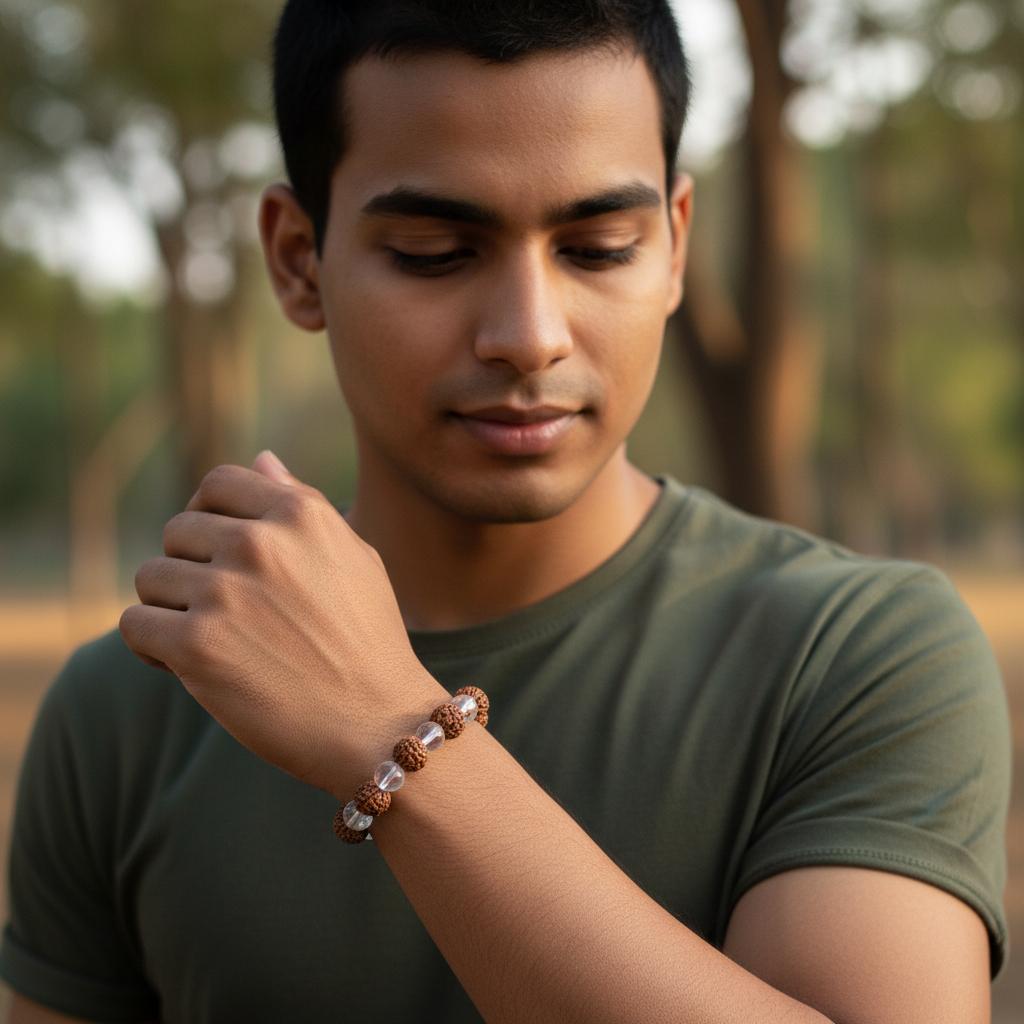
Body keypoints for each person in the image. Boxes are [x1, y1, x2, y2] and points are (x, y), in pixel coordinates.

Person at [0, 1, 1011, 1021]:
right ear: (298, 259)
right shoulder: (130, 710)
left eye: (599, 246)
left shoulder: (858, 658)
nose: (527, 337)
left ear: (674, 245)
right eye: (437, 252)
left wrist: (391, 729)